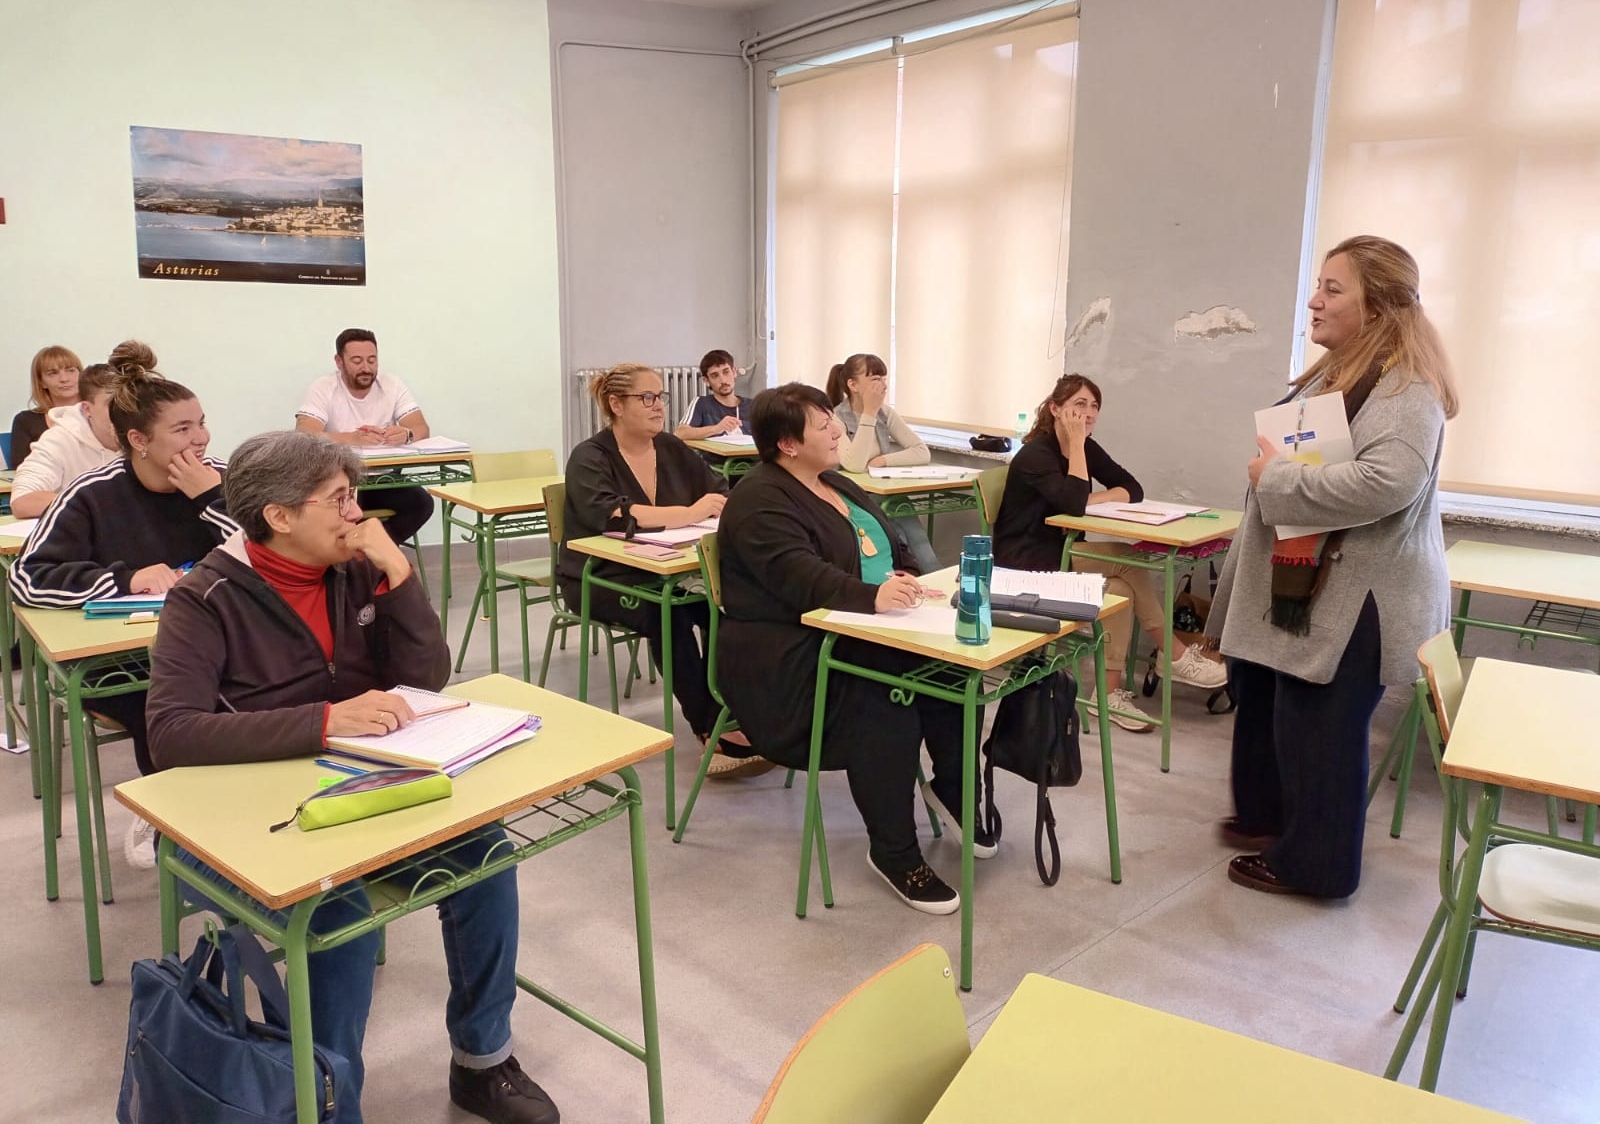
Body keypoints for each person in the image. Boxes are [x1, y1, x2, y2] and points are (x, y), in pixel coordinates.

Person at [145, 430, 558, 1124]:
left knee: (486, 854)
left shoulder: (355, 569)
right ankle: (332, 1104)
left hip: (353, 791)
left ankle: (483, 1062)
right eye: (339, 499)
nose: (357, 514)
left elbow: (425, 679)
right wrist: (325, 721)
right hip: (240, 820)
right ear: (279, 516)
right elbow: (170, 734)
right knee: (337, 913)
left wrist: (400, 576)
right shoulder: (205, 598)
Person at [1207, 235, 1457, 899]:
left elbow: (1388, 482)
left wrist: (1274, 478)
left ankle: (1316, 868)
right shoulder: (1342, 372)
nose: (1314, 301)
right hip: (1318, 582)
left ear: (1377, 306)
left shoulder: (1405, 386)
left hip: (1363, 594)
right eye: (1318, 286)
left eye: (1333, 288)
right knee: (1281, 712)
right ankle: (1271, 821)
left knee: (1321, 732)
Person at [717, 382, 992, 915]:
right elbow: (801, 576)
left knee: (955, 675)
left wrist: (905, 576)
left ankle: (955, 792)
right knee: (887, 702)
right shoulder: (758, 499)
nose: (836, 430)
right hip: (788, 658)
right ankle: (894, 852)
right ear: (787, 444)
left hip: (862, 630)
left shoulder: (835, 482)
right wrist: (873, 596)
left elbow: (890, 543)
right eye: (823, 425)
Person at [10, 353, 237, 867]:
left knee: (271, 683)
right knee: (167, 701)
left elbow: (275, 554)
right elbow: (27, 577)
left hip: (218, 643)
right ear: (138, 440)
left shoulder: (222, 481)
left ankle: (231, 813)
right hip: (129, 661)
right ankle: (171, 812)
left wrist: (213, 500)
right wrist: (124, 579)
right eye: (182, 429)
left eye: (201, 424)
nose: (200, 439)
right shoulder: (93, 494)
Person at [559, 362, 766, 778]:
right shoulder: (590, 456)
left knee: (726, 604)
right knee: (667, 613)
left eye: (661, 397)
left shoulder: (670, 448)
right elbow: (612, 514)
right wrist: (689, 513)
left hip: (665, 569)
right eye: (647, 397)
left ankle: (736, 709)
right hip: (600, 576)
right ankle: (709, 726)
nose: (659, 406)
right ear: (616, 404)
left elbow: (716, 490)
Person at [992, 374, 1227, 730]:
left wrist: (1090, 494)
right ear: (1055, 409)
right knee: (1129, 561)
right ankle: (1173, 654)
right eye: (1078, 405)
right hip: (1026, 562)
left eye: (1094, 406)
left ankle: (1109, 696)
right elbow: (1073, 503)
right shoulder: (1036, 455)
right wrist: (1076, 448)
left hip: (1063, 551)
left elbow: (1131, 487)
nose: (1087, 414)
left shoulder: (1086, 447)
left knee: (1120, 592)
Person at [295, 327, 434, 544]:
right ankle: (357, 553)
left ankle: (367, 554)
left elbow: (421, 428)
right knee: (337, 512)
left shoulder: (392, 385)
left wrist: (406, 434)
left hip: (385, 478)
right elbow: (305, 435)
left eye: (372, 360)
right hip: (341, 479)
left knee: (422, 504)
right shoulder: (324, 387)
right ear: (339, 362)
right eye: (357, 361)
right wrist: (353, 438)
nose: (366, 368)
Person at [825, 353, 940, 571]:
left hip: (885, 492)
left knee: (918, 539)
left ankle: (934, 577)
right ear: (852, 385)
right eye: (875, 379)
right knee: (895, 538)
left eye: (884, 379)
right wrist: (869, 413)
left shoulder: (886, 413)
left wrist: (884, 460)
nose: (883, 385)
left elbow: (921, 451)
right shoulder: (835, 417)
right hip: (853, 496)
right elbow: (854, 465)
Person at [9, 362, 121, 518]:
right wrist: (96, 505)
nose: (126, 412)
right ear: (87, 409)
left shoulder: (146, 435)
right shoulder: (59, 439)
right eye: (113, 404)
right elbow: (22, 500)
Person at [11, 344, 82, 468]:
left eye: (70, 370)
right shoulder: (25, 421)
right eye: (53, 373)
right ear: (41, 382)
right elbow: (21, 467)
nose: (64, 379)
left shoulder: (101, 412)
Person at [673, 348, 751, 440]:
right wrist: (717, 429)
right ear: (706, 381)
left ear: (734, 372)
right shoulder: (701, 404)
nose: (723, 380)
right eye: (715, 376)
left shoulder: (753, 406)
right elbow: (680, 433)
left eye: (726, 372)